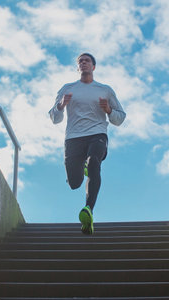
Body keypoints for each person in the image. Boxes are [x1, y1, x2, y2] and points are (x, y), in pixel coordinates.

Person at [49, 53, 126, 234]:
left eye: (87, 61)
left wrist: (108, 110)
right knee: (74, 183)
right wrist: (60, 106)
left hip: (97, 133)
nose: (83, 63)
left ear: (93, 67)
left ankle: (88, 210)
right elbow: (54, 117)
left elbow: (120, 117)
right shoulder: (67, 88)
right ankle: (82, 166)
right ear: (78, 68)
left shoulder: (104, 90)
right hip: (73, 137)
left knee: (94, 163)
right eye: (80, 61)